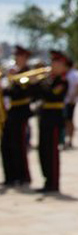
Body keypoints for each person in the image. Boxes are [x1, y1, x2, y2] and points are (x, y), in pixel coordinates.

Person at [35, 50, 70, 193]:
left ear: (62, 65)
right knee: (43, 150)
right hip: (44, 117)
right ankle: (46, 180)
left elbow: (51, 95)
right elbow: (36, 95)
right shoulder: (48, 79)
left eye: (56, 63)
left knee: (52, 152)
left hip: (54, 118)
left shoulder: (63, 81)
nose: (52, 65)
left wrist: (40, 82)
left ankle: (53, 182)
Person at [2, 45, 33, 186]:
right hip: (10, 112)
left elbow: (22, 92)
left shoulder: (27, 73)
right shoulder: (13, 73)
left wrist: (12, 81)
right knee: (6, 144)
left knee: (19, 145)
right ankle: (10, 176)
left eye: (19, 56)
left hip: (20, 111)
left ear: (25, 58)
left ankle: (22, 175)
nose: (16, 58)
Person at [63, 61, 78, 149]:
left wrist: (73, 98)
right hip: (65, 101)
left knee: (69, 120)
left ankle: (70, 140)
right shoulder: (66, 73)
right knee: (65, 121)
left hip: (70, 101)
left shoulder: (76, 74)